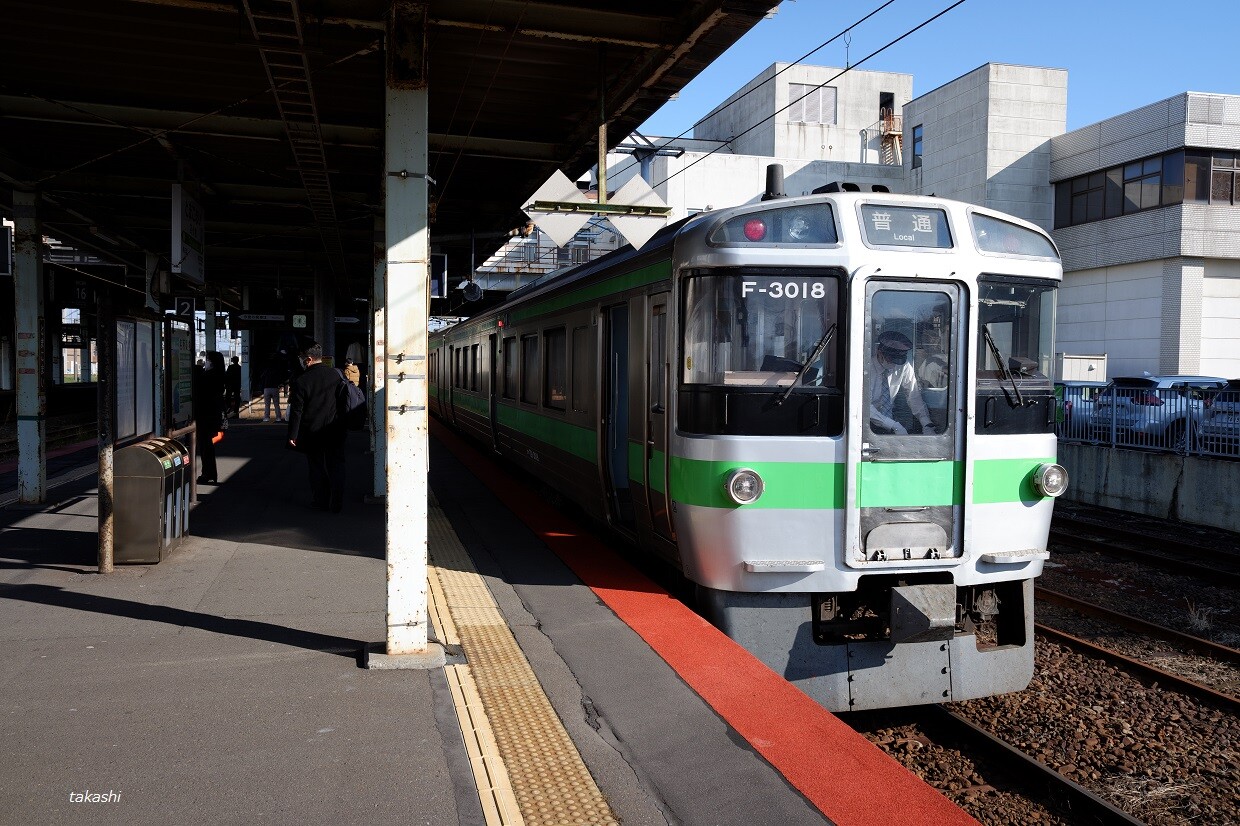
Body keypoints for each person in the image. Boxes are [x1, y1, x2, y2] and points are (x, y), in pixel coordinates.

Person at [287, 341, 347, 512]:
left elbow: (297, 411)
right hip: (336, 429)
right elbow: (344, 403)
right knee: (337, 465)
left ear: (308, 359)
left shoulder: (302, 380)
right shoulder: (337, 375)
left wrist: (293, 435)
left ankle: (321, 500)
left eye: (302, 358)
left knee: (316, 466)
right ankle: (337, 502)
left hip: (312, 432)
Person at [869, 330, 935, 435]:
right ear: (880, 353)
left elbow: (914, 396)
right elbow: (864, 406)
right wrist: (892, 425)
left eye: (898, 361)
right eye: (891, 360)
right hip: (867, 424)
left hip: (890, 422)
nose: (894, 366)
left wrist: (926, 423)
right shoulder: (866, 369)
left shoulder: (903, 366)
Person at [193, 351, 226, 483]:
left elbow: (200, 388)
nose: (204, 362)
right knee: (208, 446)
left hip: (205, 416)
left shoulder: (209, 376)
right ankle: (210, 473)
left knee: (205, 446)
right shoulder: (219, 375)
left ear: (211, 362)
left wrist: (197, 369)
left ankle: (207, 474)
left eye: (206, 359)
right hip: (213, 416)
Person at [259, 355, 287, 423]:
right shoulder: (276, 371)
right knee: (276, 404)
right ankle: (278, 417)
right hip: (275, 388)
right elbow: (280, 379)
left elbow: (261, 379)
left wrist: (262, 389)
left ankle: (266, 418)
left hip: (267, 388)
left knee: (267, 405)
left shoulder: (265, 371)